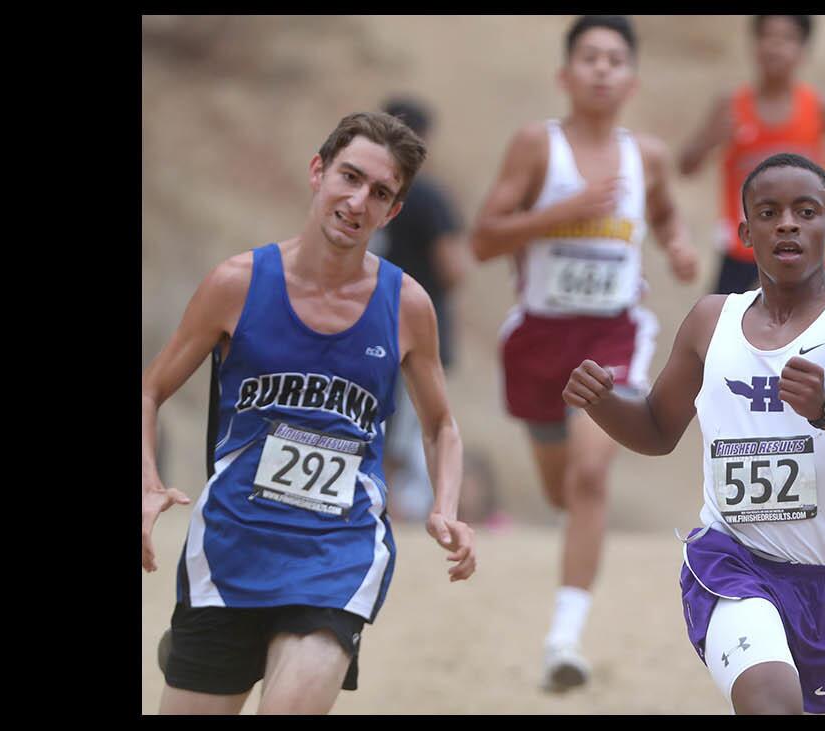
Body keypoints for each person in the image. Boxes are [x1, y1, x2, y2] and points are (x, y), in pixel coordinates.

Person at [563, 153, 825, 714]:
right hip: (732, 564)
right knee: (769, 705)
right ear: (744, 232)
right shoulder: (712, 321)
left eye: (805, 212)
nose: (787, 223)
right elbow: (659, 430)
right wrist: (606, 403)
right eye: (769, 212)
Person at [140, 111, 477, 715]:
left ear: (393, 212)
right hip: (229, 550)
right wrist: (147, 484)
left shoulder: (407, 305)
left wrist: (444, 507)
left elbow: (440, 425)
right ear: (317, 172)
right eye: (349, 177)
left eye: (380, 193)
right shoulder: (236, 284)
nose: (357, 202)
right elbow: (150, 391)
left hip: (336, 554)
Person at [470, 15, 699, 692]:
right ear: (565, 75)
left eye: (615, 59)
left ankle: (562, 640)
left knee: (591, 476)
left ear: (631, 78)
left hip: (613, 335)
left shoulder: (646, 156)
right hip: (541, 340)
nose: (602, 68)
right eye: (590, 57)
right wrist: (560, 212)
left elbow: (661, 212)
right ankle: (578, 531)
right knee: (561, 486)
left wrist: (679, 243)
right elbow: (484, 239)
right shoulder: (536, 147)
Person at [678, 15, 825, 293]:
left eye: (787, 38)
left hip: (806, 241)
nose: (775, 46)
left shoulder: (822, 106)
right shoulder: (731, 107)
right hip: (749, 239)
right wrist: (709, 139)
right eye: (767, 36)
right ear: (754, 44)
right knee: (720, 323)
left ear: (803, 49)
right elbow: (685, 166)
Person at [371, 95, 472, 523]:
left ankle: (380, 502)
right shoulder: (428, 197)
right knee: (409, 425)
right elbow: (453, 270)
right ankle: (388, 507)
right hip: (417, 329)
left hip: (368, 325)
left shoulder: (365, 190)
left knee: (380, 419)